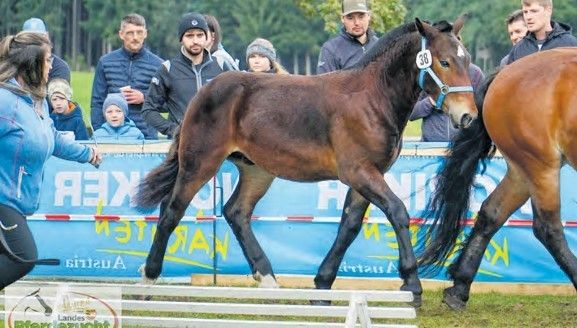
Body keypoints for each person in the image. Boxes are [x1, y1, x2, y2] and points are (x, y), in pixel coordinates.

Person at [0, 32, 101, 290]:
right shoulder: (5, 102)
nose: (52, 66)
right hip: (2, 201)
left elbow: (52, 137)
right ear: (30, 64)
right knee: (22, 257)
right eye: (46, 61)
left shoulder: (38, 101)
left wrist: (86, 154)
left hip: (16, 202)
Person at [141, 12, 229, 138]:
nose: (195, 41)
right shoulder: (168, 69)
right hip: (182, 146)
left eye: (200, 35)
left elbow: (236, 103)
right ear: (181, 39)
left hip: (216, 145)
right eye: (189, 36)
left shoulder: (221, 66)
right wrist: (173, 130)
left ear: (206, 37)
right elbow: (148, 110)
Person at [90, 13, 163, 140]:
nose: (135, 37)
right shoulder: (105, 62)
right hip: (111, 137)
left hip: (146, 138)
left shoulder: (159, 65)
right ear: (121, 34)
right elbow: (97, 102)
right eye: (130, 33)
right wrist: (101, 132)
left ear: (145, 33)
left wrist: (144, 98)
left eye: (139, 32)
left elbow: (168, 103)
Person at [410, 30, 485, 142]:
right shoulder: (429, 74)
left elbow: (483, 112)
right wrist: (431, 102)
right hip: (429, 148)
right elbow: (412, 113)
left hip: (463, 148)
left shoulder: (475, 73)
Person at [506, 0, 577, 64]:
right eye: (525, 12)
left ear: (548, 10)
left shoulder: (570, 44)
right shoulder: (517, 50)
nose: (528, 17)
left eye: (534, 11)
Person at [316, 0, 378, 74]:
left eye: (361, 17)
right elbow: (324, 84)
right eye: (350, 18)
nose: (357, 23)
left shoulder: (380, 46)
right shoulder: (330, 49)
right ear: (342, 18)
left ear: (369, 16)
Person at [22, 17, 71, 83]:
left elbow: (58, 90)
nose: (35, 43)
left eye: (39, 37)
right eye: (30, 38)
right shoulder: (14, 64)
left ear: (47, 37)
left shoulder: (59, 67)